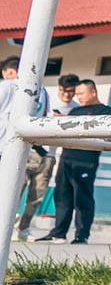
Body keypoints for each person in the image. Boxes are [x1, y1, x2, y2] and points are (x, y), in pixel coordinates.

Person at [38, 79, 111, 245]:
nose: (78, 97)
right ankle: (58, 233)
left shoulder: (104, 110)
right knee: (62, 197)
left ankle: (81, 235)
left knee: (82, 198)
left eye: (81, 93)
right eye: (76, 94)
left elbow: (104, 134)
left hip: (86, 161)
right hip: (66, 159)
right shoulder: (75, 111)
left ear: (93, 92)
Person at [2, 57, 53, 238]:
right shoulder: (12, 87)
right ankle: (8, 227)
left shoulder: (40, 91)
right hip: (17, 147)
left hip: (26, 149)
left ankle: (18, 228)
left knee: (26, 194)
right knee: (13, 191)